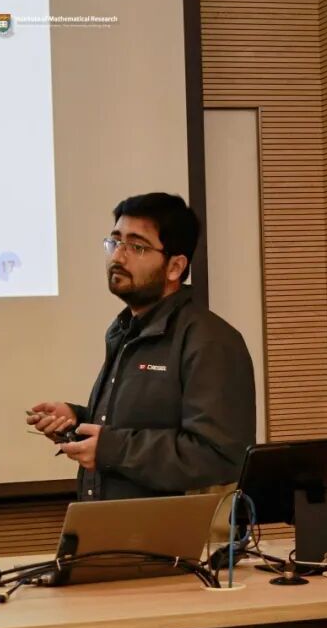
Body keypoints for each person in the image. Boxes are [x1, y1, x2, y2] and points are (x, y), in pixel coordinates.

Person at [27, 192, 255, 500]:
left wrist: (111, 449)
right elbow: (135, 425)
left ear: (175, 267)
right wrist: (78, 421)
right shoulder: (124, 330)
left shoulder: (210, 342)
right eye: (115, 242)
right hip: (111, 524)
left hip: (169, 530)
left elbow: (218, 457)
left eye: (137, 247)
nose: (118, 257)